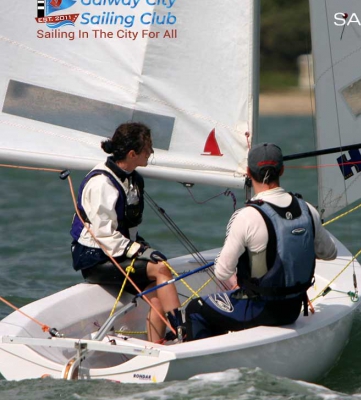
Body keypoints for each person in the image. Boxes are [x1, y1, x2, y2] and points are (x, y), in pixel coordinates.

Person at [185, 142, 337, 340]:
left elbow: (222, 272)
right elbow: (330, 253)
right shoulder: (308, 210)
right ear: (282, 170)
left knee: (195, 309)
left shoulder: (247, 216)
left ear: (248, 172)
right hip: (292, 309)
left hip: (259, 310)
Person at [70, 122, 182, 343]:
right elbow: (104, 236)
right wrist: (138, 250)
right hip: (95, 258)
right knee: (162, 270)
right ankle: (181, 330)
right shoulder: (102, 183)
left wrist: (140, 247)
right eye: (148, 148)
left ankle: (156, 346)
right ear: (132, 154)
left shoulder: (132, 178)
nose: (151, 152)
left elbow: (127, 229)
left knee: (157, 295)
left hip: (118, 252)